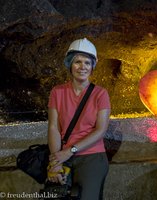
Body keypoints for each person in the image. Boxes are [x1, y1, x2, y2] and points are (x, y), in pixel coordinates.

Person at [47, 38, 111, 200]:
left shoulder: (100, 94)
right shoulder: (57, 92)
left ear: (92, 67)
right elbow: (54, 127)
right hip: (62, 156)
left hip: (92, 156)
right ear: (70, 64)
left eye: (87, 63)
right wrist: (56, 163)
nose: (82, 67)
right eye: (78, 62)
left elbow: (100, 130)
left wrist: (70, 151)